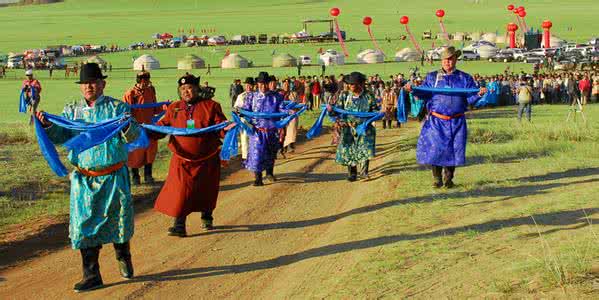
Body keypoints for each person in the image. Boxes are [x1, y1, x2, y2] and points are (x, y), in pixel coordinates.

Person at [35, 63, 140, 292]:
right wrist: (47, 124)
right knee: (85, 225)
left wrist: (125, 126)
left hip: (113, 177)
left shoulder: (117, 109)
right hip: (84, 179)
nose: (89, 86)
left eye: (93, 82)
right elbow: (62, 135)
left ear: (102, 84)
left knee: (118, 221)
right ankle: (92, 274)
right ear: (81, 87)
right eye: (85, 83)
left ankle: (123, 255)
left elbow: (133, 136)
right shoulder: (71, 110)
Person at [151, 74, 235, 237]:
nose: (186, 91)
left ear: (197, 89)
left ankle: (207, 217)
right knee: (181, 191)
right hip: (182, 160)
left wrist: (227, 129)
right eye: (182, 89)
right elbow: (162, 128)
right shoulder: (174, 108)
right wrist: (146, 130)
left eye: (189, 88)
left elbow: (220, 126)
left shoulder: (211, 106)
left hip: (206, 159)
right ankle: (179, 224)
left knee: (206, 190)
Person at [405, 46, 486, 188]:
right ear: (441, 61)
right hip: (436, 121)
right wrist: (413, 90)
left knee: (453, 150)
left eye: (451, 59)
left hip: (457, 121)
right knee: (435, 149)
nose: (448, 62)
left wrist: (479, 94)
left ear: (456, 59)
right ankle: (437, 179)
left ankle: (449, 179)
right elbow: (423, 94)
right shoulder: (432, 77)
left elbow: (469, 99)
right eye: (445, 59)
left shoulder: (464, 78)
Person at [327, 72, 378, 182]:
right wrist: (331, 111)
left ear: (360, 84)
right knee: (349, 150)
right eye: (349, 84)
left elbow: (374, 110)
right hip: (348, 128)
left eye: (352, 84)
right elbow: (338, 111)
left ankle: (364, 172)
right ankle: (352, 173)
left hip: (364, 128)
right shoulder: (344, 95)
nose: (350, 86)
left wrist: (374, 117)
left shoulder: (369, 95)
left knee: (364, 149)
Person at [242, 72, 286, 186]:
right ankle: (258, 178)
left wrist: (288, 112)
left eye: (265, 84)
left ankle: (270, 173)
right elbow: (245, 109)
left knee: (270, 153)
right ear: (257, 84)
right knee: (257, 154)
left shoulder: (276, 97)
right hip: (257, 131)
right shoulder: (251, 96)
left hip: (271, 131)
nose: (263, 86)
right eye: (261, 84)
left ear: (269, 84)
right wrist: (240, 112)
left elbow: (282, 109)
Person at [123, 71, 161, 184]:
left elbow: (155, 109)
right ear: (138, 81)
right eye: (144, 82)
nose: (145, 84)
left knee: (150, 151)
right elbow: (125, 112)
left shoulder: (150, 91)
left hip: (149, 127)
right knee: (135, 152)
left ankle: (148, 175)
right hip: (135, 128)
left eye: (147, 82)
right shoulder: (130, 94)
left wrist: (165, 106)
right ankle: (135, 177)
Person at [234, 77, 255, 160]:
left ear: (253, 86)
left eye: (250, 85)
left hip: (254, 121)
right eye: (247, 85)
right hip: (244, 121)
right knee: (244, 139)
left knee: (254, 139)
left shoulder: (257, 96)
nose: (248, 87)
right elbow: (236, 108)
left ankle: (254, 156)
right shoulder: (241, 96)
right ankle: (245, 158)